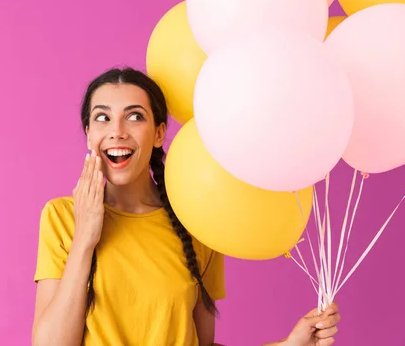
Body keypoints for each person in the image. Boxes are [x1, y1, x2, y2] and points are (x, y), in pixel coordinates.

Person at [32, 67, 341, 346]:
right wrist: (85, 238)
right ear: (89, 134)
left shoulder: (193, 224)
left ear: (159, 134)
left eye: (135, 116)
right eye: (103, 117)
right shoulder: (62, 218)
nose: (117, 131)